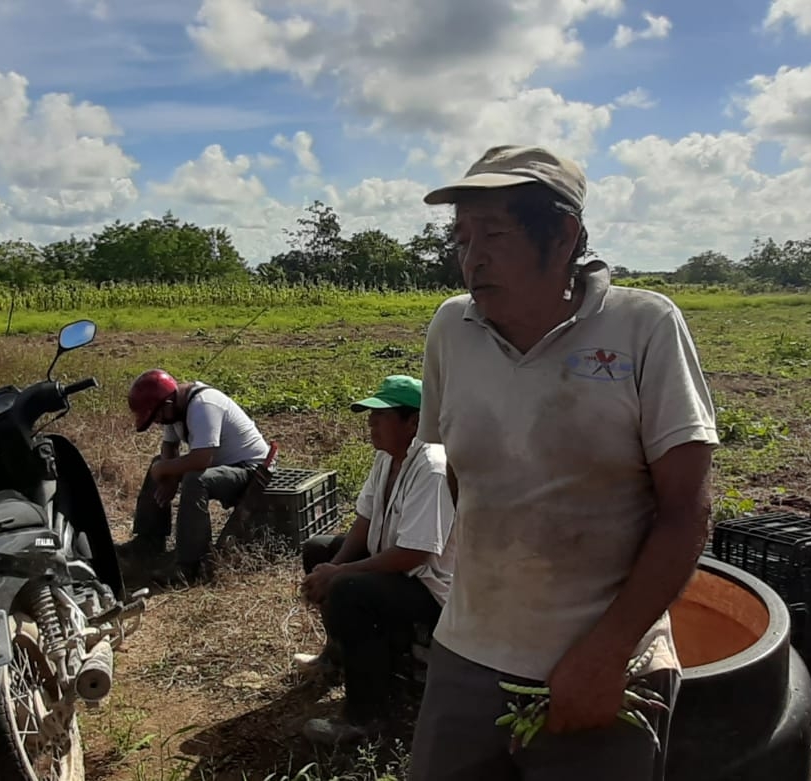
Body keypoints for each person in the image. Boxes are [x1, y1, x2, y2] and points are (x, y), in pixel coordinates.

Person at [407, 145, 720, 781]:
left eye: (495, 232)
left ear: (564, 236)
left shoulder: (643, 327)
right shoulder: (450, 329)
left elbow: (686, 512)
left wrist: (605, 657)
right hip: (467, 648)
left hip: (606, 664)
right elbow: (467, 481)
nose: (473, 257)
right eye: (462, 237)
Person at [294, 374, 456, 747]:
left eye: (379, 417)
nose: (370, 424)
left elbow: (414, 554)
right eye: (370, 416)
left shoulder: (431, 466)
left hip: (430, 588)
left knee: (350, 588)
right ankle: (338, 656)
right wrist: (332, 563)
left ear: (413, 422)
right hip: (400, 566)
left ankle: (364, 719)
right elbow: (365, 521)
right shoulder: (388, 458)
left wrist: (341, 573)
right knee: (319, 548)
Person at [119, 369, 271, 584]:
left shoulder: (203, 406)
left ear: (168, 404)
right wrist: (168, 477)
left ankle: (190, 564)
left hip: (251, 471)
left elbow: (201, 460)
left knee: (195, 479)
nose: (158, 422)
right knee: (159, 464)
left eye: (157, 416)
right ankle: (148, 541)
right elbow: (169, 446)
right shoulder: (174, 408)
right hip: (224, 466)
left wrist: (165, 470)